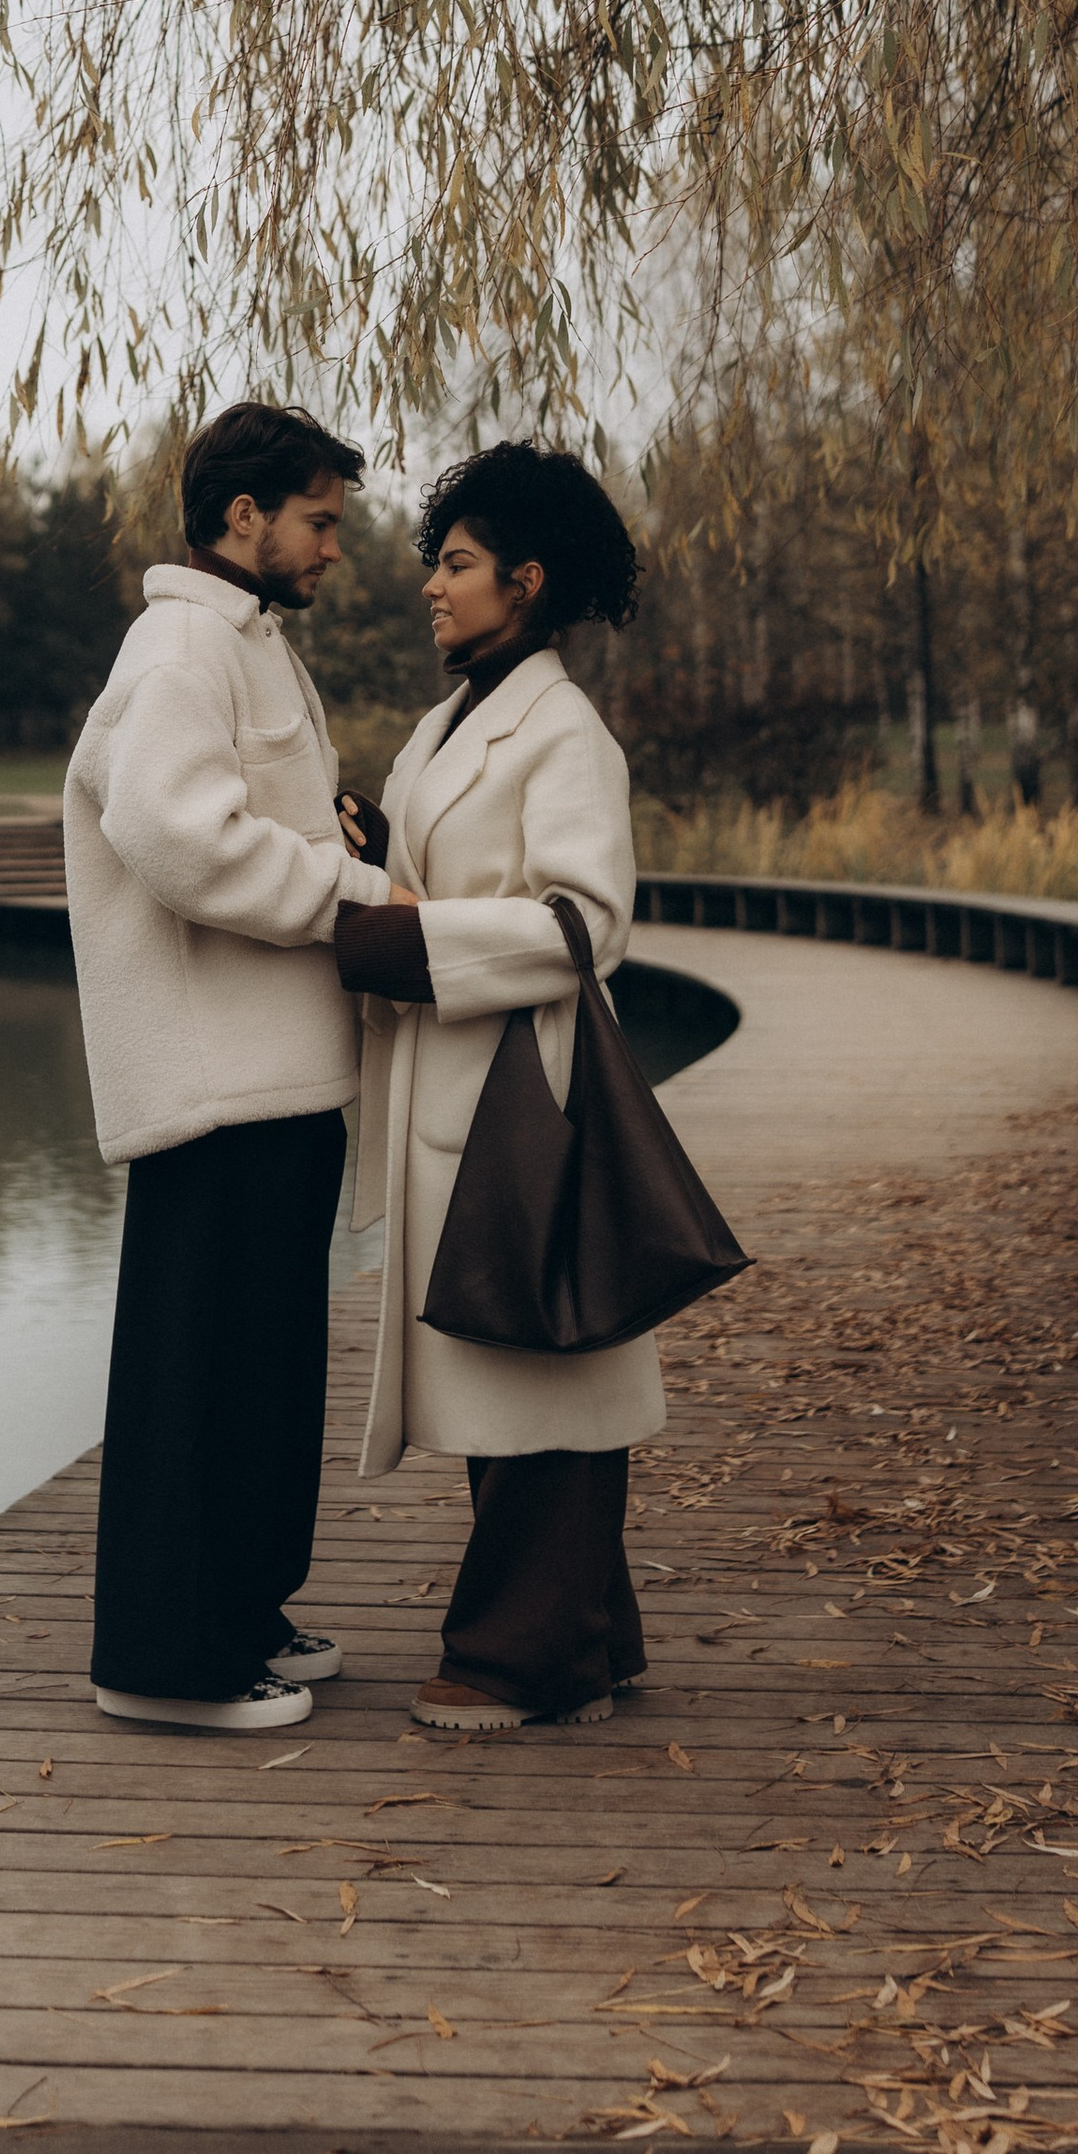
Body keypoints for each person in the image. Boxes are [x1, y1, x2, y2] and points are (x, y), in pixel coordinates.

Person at [64, 400, 416, 1732]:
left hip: (271, 1074)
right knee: (197, 1377)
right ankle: (165, 1662)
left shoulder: (243, 642)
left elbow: (242, 816)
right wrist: (350, 894)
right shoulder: (183, 648)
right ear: (243, 517)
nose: (334, 549)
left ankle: (238, 1614)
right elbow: (170, 829)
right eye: (320, 522)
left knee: (261, 1371)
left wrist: (329, 835)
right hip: (215, 1085)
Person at [333, 441, 655, 1731]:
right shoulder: (451, 717)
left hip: (532, 1089)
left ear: (525, 581)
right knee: (509, 1363)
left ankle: (522, 1657)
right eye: (436, 564)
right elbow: (443, 864)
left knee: (543, 1368)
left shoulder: (563, 730)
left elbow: (587, 923)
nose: (432, 588)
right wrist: (377, 854)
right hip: (463, 1080)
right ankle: (587, 1638)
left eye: (456, 566)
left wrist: (415, 944)